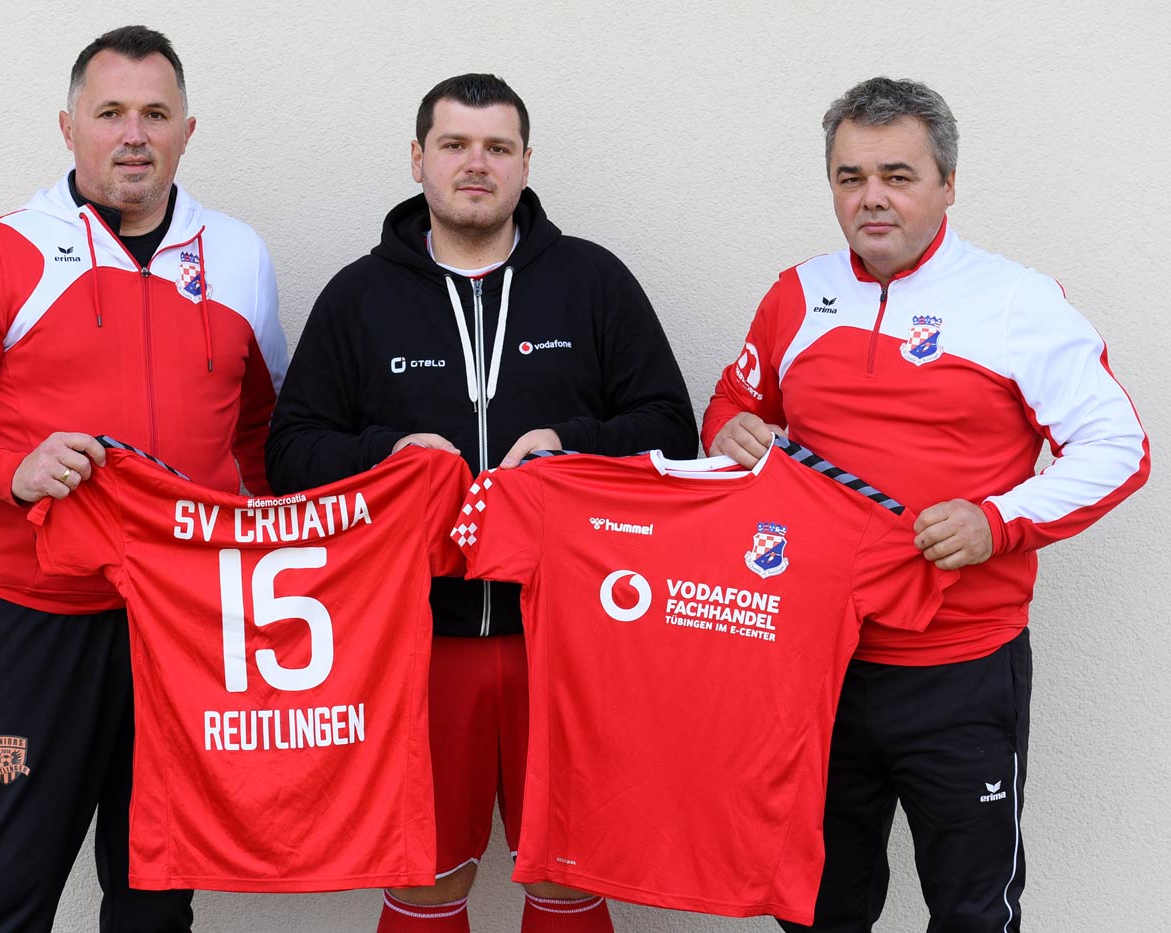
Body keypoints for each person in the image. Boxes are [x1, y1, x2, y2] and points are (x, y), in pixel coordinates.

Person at [702, 76, 1149, 932]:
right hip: (814, 662)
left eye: (897, 175)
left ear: (947, 183)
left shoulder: (1017, 301)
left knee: (973, 912)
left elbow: (1118, 448)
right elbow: (736, 401)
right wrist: (728, 430)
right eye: (849, 176)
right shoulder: (796, 293)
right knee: (816, 907)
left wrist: (997, 520)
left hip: (960, 669)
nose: (871, 198)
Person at [266, 73, 696, 933]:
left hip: (570, 637)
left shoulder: (592, 282)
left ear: (526, 163)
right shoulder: (361, 296)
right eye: (455, 144)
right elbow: (288, 454)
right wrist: (383, 453)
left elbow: (671, 432)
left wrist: (571, 442)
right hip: (417, 639)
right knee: (426, 877)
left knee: (570, 874)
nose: (476, 164)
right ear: (418, 157)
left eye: (497, 147)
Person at [0, 25, 287, 932]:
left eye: (155, 113)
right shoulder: (1, 252)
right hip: (38, 626)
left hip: (181, 630)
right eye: (110, 113)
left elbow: (262, 432)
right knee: (11, 887)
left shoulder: (240, 258)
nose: (132, 134)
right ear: (69, 128)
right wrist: (11, 470)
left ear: (188, 130)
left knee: (155, 897)